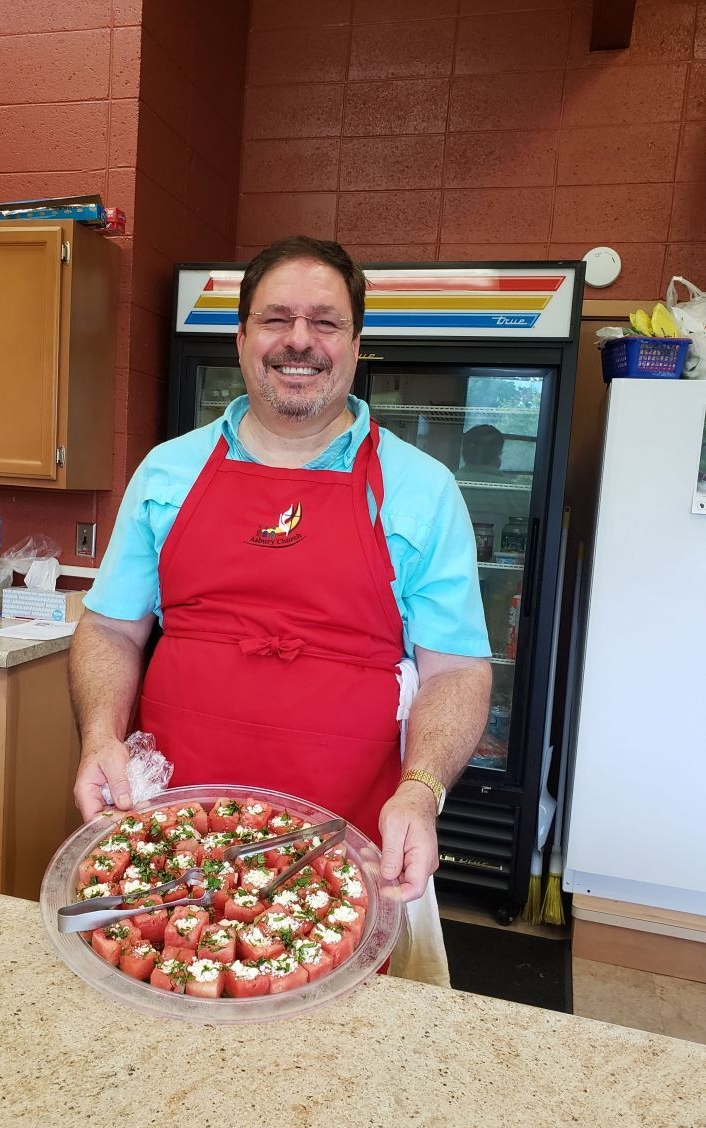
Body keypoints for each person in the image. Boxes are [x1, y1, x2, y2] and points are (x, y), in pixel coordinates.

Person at [70, 236, 492, 981]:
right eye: (276, 319)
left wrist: (422, 791)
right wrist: (100, 735)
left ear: (356, 343)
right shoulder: (168, 471)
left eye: (325, 322)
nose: (300, 340)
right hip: (172, 834)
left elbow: (456, 670)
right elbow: (109, 628)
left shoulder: (422, 489)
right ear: (241, 338)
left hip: (344, 845)